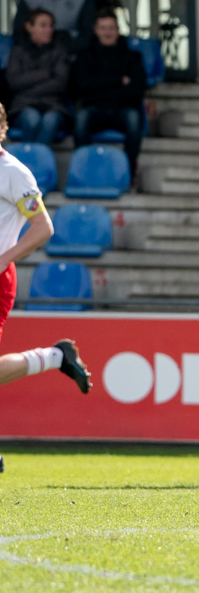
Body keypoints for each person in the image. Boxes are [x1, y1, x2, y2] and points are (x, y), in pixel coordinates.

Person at [0, 102, 91, 397]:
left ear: (2, 130)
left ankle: (54, 357)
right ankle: (55, 357)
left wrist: (4, 259)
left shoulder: (13, 172)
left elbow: (43, 227)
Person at [71, 8, 147, 181]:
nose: (108, 32)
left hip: (123, 110)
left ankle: (128, 172)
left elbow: (137, 90)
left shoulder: (133, 57)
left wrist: (100, 86)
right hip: (94, 109)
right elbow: (82, 87)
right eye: (103, 28)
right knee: (81, 119)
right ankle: (86, 170)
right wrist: (119, 80)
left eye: (111, 28)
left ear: (118, 31)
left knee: (134, 119)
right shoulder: (85, 57)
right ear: (96, 30)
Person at [6, 8, 71, 145]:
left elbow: (60, 84)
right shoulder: (17, 51)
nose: (49, 30)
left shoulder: (59, 51)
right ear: (29, 27)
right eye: (43, 25)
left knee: (50, 120)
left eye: (51, 26)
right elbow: (14, 82)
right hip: (23, 106)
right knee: (31, 118)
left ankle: (31, 162)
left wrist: (27, 87)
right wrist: (46, 74)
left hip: (53, 105)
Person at [13, 0, 97, 52]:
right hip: (32, 54)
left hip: (70, 54)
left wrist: (65, 50)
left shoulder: (82, 2)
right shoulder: (29, 1)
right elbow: (19, 32)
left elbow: (88, 33)